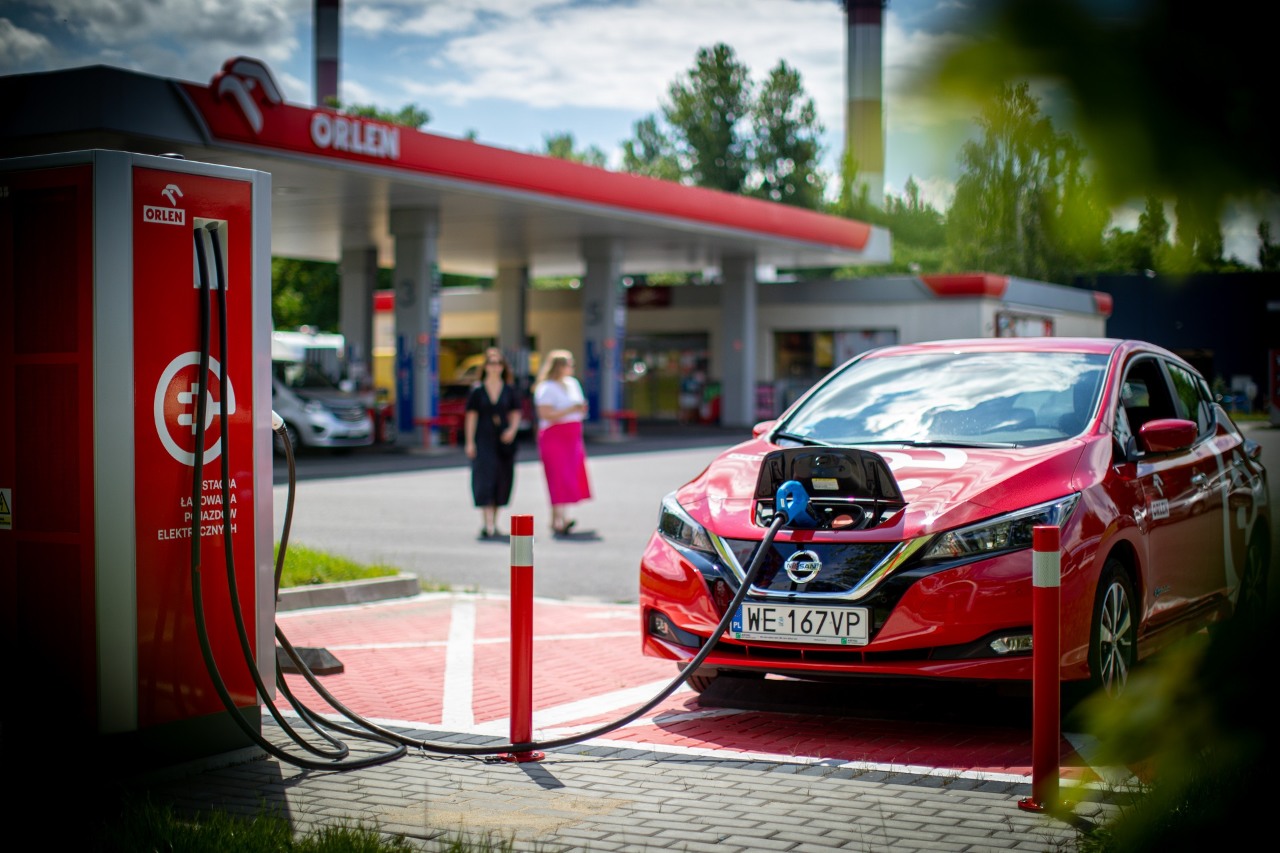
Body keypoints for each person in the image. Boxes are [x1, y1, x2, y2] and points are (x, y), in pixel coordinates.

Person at [463, 347, 522, 540]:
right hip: (483, 437)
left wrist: (512, 430)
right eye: (491, 363)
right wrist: (470, 442)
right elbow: (471, 417)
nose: (495, 367)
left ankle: (494, 522)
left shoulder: (510, 389)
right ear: (485, 366)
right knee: (484, 477)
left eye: (498, 363)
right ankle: (486, 523)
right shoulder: (477, 390)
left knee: (501, 478)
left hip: (503, 440)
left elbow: (516, 413)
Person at [533, 349, 591, 536]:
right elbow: (545, 414)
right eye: (568, 364)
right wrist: (570, 409)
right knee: (558, 475)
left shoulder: (573, 384)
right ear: (558, 366)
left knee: (569, 475)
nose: (571, 367)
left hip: (572, 435)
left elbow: (578, 407)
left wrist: (579, 409)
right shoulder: (546, 387)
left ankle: (557, 518)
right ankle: (561, 519)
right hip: (554, 436)